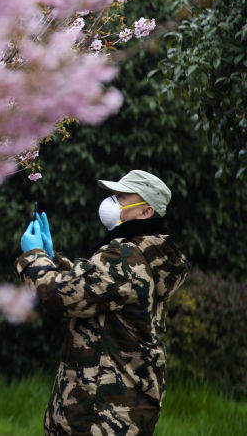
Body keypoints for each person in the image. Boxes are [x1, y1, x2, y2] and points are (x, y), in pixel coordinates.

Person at [14, 169, 190, 435]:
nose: (111, 202)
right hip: (120, 406)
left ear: (146, 212)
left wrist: (34, 257)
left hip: (101, 414)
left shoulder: (126, 256)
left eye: (121, 197)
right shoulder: (145, 253)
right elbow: (99, 289)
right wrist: (54, 260)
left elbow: (59, 297)